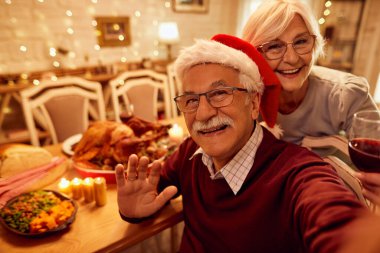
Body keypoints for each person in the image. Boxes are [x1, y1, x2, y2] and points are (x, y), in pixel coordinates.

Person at [115, 34, 380, 253]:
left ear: (253, 104)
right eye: (191, 100)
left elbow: (333, 216)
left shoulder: (296, 173)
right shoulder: (189, 153)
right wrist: (132, 210)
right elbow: (150, 192)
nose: (203, 113)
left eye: (220, 94)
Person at [241, 0, 380, 206]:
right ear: (254, 54)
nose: (292, 58)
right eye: (274, 46)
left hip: (327, 199)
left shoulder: (345, 93)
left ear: (315, 44)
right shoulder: (246, 99)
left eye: (300, 42)